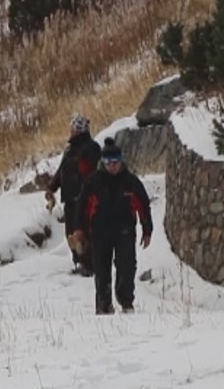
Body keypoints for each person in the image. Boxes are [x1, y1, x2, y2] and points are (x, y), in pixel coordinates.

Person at [73, 138, 153, 315]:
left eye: (116, 162)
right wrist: (79, 231)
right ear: (103, 162)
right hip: (100, 234)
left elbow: (143, 206)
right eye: (109, 162)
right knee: (102, 272)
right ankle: (103, 306)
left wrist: (147, 230)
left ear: (121, 161)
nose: (113, 166)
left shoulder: (131, 182)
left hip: (125, 232)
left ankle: (126, 302)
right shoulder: (93, 182)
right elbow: (82, 208)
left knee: (127, 267)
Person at [45, 113, 101, 276]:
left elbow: (94, 172)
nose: (70, 131)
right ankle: (78, 261)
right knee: (71, 232)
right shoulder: (69, 149)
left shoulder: (92, 148)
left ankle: (89, 264)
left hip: (85, 197)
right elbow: (61, 171)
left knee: (83, 230)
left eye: (73, 127)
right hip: (69, 198)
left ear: (79, 129)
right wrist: (51, 188)